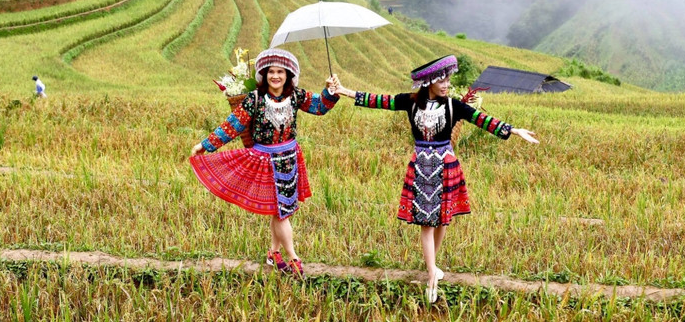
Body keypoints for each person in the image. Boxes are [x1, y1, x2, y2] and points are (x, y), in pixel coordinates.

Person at [333, 55, 538, 302]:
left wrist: (514, 130)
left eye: (448, 80)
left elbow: (481, 119)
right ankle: (431, 276)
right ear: (429, 81)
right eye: (442, 79)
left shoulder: (453, 106)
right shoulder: (409, 102)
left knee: (442, 220)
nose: (446, 84)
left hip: (446, 166)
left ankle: (432, 265)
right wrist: (343, 90)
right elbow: (378, 100)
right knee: (427, 223)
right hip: (421, 167)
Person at [190, 48, 340, 277]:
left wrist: (330, 91)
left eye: (281, 72)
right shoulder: (255, 99)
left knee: (280, 211)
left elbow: (319, 107)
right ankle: (293, 257)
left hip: (290, 159)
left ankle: (273, 252)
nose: (276, 76)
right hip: (265, 162)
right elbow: (234, 124)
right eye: (271, 72)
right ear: (264, 74)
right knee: (280, 212)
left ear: (288, 75)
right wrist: (206, 145)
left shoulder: (296, 96)